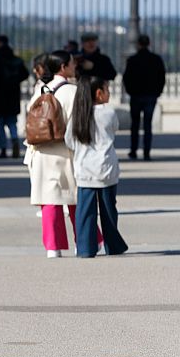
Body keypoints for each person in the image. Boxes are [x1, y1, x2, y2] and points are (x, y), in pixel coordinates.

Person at [25, 51, 96, 259]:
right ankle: (84, 241)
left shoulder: (40, 89)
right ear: (63, 67)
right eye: (72, 63)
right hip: (66, 151)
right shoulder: (74, 91)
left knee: (49, 200)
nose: (75, 66)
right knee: (75, 199)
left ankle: (52, 247)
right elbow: (80, 124)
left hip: (42, 150)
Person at [65, 76, 128, 258]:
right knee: (108, 210)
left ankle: (85, 248)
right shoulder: (108, 113)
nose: (109, 93)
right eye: (107, 90)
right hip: (106, 169)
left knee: (85, 212)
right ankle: (113, 245)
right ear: (99, 94)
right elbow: (113, 129)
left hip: (84, 170)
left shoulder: (77, 116)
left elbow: (69, 140)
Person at [123, 35, 166, 161]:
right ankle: (147, 152)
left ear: (138, 44)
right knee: (148, 124)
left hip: (136, 96)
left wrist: (130, 91)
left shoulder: (132, 60)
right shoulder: (156, 59)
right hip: (150, 96)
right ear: (149, 43)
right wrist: (158, 92)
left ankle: (133, 150)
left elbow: (126, 78)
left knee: (135, 124)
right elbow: (161, 77)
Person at [0, 35, 29, 159]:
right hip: (13, 95)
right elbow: (25, 74)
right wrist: (15, 81)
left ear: (0, 44)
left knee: (0, 123)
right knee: (12, 122)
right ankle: (15, 140)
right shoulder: (16, 60)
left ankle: (3, 148)